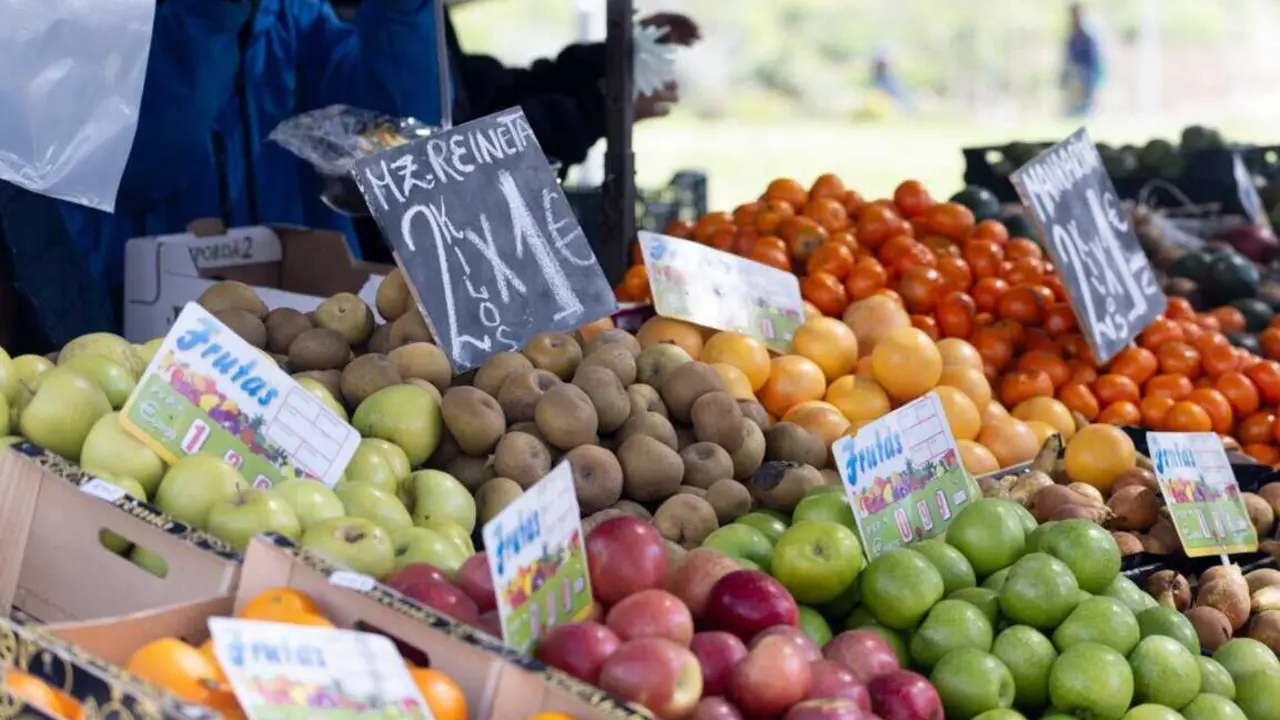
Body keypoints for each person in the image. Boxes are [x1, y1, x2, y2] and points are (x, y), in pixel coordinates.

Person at [0, 0, 449, 347]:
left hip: (308, 329)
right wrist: (210, 15)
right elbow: (143, 166)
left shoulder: (291, 17)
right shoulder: (89, 21)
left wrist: (401, 11)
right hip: (143, 330)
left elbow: (395, 140)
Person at [1063, 2, 1104, 117]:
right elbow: (1068, 60)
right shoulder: (1071, 38)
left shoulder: (1088, 37)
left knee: (1085, 113)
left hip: (1086, 82)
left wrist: (1086, 78)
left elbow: (1094, 62)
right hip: (1074, 83)